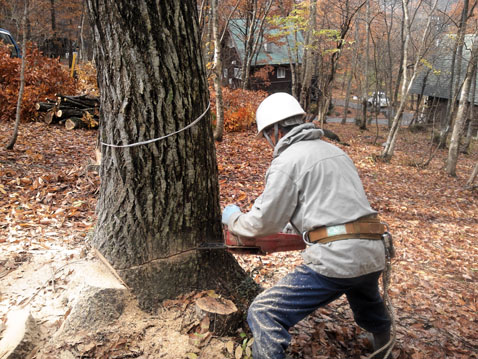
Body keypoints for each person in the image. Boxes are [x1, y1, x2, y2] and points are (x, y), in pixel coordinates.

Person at [221, 93, 392, 359]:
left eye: (267, 135)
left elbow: (262, 222)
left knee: (265, 311)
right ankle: (384, 350)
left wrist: (232, 218)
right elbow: (332, 212)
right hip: (372, 252)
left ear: (275, 131)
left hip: (337, 260)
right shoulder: (336, 152)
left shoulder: (287, 162)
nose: (268, 142)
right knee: (367, 303)